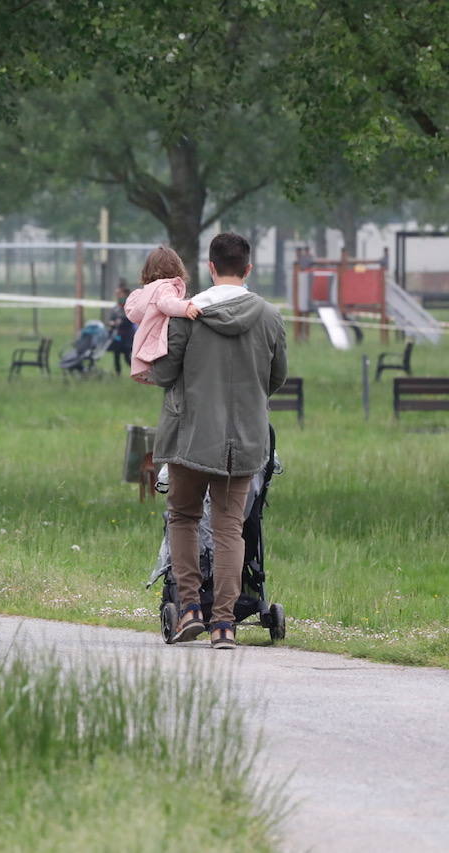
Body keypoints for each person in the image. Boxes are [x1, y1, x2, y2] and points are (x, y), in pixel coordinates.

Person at [150, 233, 287, 649]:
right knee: (231, 529)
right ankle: (225, 624)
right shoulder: (269, 315)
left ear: (211, 267)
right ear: (247, 269)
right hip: (243, 440)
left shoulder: (187, 313)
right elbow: (276, 376)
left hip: (190, 435)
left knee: (184, 517)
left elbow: (163, 373)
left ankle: (190, 608)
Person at [124, 248, 201, 384]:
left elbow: (131, 310)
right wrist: (185, 307)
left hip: (143, 340)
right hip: (161, 341)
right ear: (177, 267)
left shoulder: (146, 291)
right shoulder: (166, 287)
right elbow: (167, 303)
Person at [105, 283, 137, 376]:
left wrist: (122, 321)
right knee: (116, 355)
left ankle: (137, 373)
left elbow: (132, 319)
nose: (119, 297)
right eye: (117, 295)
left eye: (120, 295)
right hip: (118, 336)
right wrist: (112, 323)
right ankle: (118, 374)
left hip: (128, 336)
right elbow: (111, 320)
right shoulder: (115, 308)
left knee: (127, 356)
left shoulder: (129, 307)